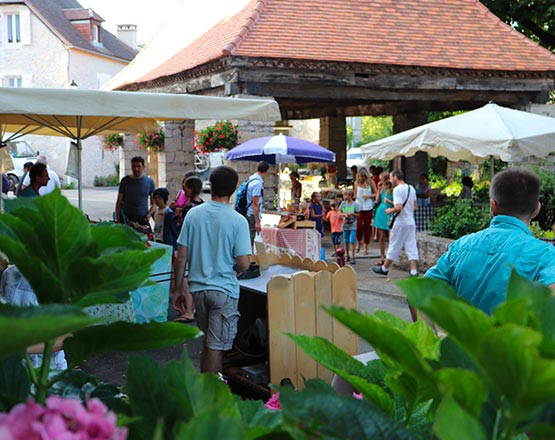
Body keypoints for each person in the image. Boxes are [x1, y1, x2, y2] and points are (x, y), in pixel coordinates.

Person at [426, 168, 555, 314]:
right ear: (536, 209)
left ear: (493, 206)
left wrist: (428, 335)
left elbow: (420, 293)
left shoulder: (461, 247)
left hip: (464, 337)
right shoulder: (546, 256)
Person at [172, 166, 251, 374]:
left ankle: (204, 388)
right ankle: (212, 394)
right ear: (233, 190)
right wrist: (235, 270)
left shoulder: (193, 215)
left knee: (209, 343)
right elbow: (244, 263)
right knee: (215, 347)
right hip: (224, 291)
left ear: (210, 186)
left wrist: (177, 290)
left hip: (198, 291)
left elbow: (181, 257)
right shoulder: (238, 220)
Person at [371, 169, 419, 277]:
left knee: (394, 245)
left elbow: (399, 207)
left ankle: (384, 268)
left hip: (400, 222)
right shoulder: (411, 188)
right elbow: (415, 206)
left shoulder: (397, 190)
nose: (390, 179)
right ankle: (414, 271)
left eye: (391, 177)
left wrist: (390, 210)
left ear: (396, 177)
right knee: (411, 245)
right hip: (410, 221)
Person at [173, 176, 205, 323]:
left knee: (186, 277)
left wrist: (176, 214)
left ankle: (188, 310)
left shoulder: (188, 208)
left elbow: (182, 226)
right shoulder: (202, 205)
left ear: (191, 189)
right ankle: (194, 308)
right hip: (200, 244)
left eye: (185, 186)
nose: (183, 189)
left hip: (188, 245)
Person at [115, 156, 155, 234]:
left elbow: (154, 203)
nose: (136, 169)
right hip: (127, 218)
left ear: (143, 167)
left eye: (138, 166)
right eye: (133, 166)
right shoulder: (125, 181)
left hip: (142, 218)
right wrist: (118, 220)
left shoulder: (149, 182)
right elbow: (119, 202)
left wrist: (148, 215)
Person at [353, 167, 377, 255]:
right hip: (359, 207)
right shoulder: (356, 183)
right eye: (359, 176)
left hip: (368, 207)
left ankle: (366, 245)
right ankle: (358, 243)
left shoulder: (371, 183)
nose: (361, 178)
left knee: (367, 227)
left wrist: (369, 196)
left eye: (363, 176)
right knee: (358, 226)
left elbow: (376, 193)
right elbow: (355, 194)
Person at [373, 171, 394, 266]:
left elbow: (397, 203)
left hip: (389, 212)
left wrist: (389, 201)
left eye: (382, 179)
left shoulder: (393, 189)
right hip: (381, 212)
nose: (381, 181)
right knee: (381, 237)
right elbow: (377, 201)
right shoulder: (382, 189)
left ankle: (390, 257)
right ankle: (382, 256)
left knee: (391, 237)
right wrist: (378, 189)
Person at [246, 161, 269, 246]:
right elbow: (255, 204)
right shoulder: (257, 183)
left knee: (248, 239)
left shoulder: (250, 179)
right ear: (266, 171)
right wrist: (257, 222)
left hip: (247, 213)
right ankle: (248, 258)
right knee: (250, 241)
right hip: (251, 215)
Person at [339, 188, 360, 264]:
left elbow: (358, 214)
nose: (346, 196)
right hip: (345, 225)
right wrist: (344, 215)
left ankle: (353, 256)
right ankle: (347, 255)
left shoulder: (355, 204)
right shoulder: (343, 204)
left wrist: (352, 213)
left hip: (353, 225)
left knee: (352, 240)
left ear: (351, 195)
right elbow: (339, 213)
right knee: (346, 240)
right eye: (344, 195)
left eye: (347, 195)